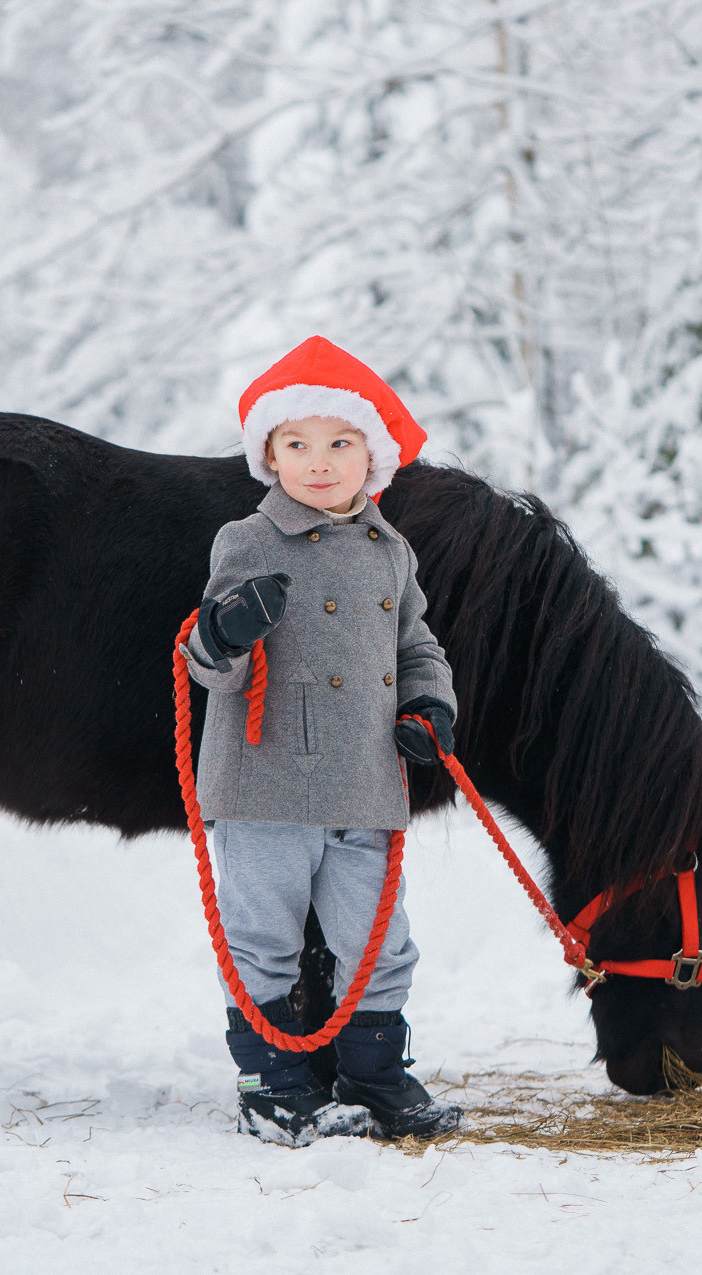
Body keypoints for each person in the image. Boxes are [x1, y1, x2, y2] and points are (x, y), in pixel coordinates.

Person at [183, 336, 463, 1146]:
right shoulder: (247, 540)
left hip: (366, 784)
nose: (318, 461)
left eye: (340, 442)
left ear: (371, 455)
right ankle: (269, 1084)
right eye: (296, 443)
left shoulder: (392, 552)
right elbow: (206, 661)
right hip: (266, 784)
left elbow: (418, 647)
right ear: (269, 454)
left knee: (375, 937)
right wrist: (225, 631)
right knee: (264, 936)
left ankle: (372, 1074)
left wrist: (428, 705)